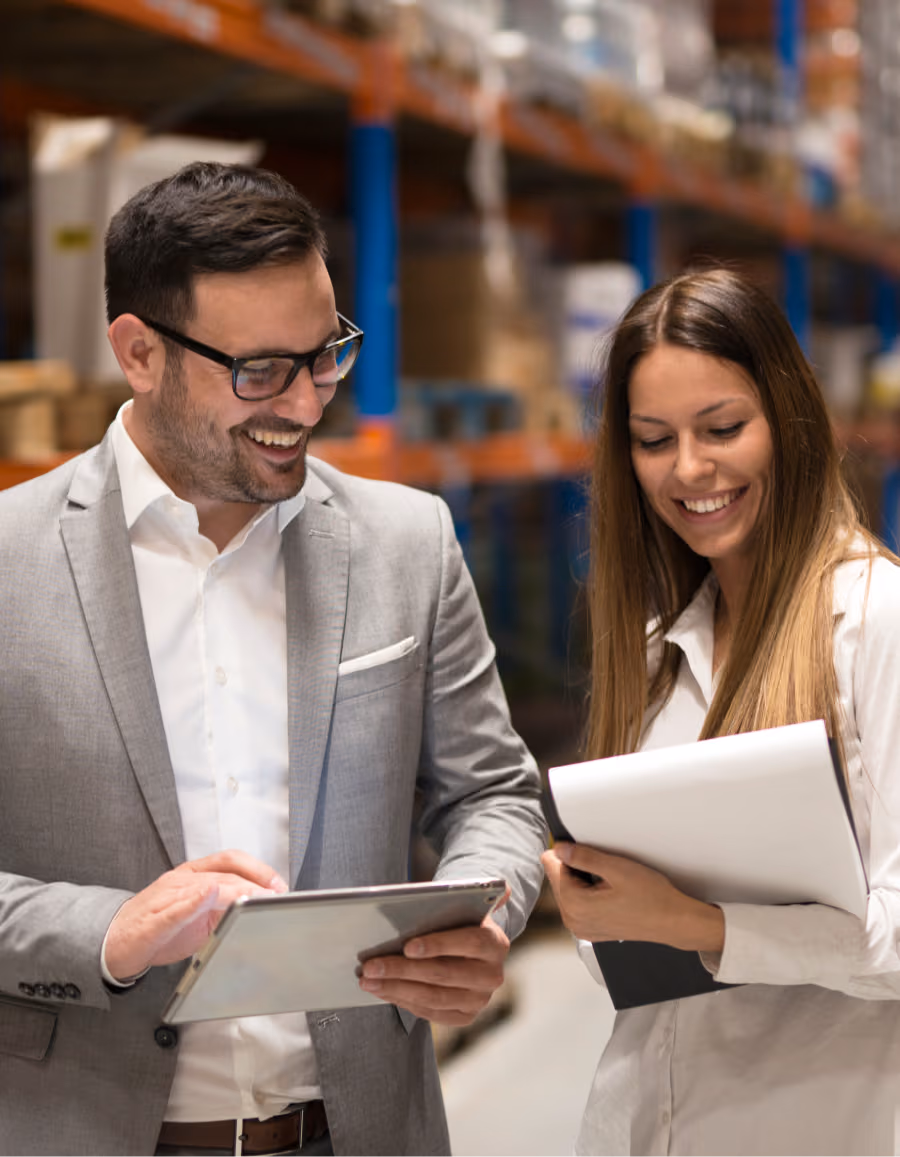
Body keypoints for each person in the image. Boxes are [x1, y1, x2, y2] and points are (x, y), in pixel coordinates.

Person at [0, 161, 547, 1157]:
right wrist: (107, 932)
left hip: (358, 1127)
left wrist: (488, 914)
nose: (305, 405)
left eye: (326, 353)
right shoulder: (8, 562)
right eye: (260, 371)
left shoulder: (405, 542)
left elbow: (493, 792)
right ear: (139, 353)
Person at [542, 267, 900, 1157]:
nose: (690, 469)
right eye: (653, 439)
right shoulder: (663, 648)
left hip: (812, 1122)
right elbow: (619, 956)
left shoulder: (872, 621)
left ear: (790, 419)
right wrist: (596, 905)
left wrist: (692, 922)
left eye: (723, 429)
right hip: (644, 1120)